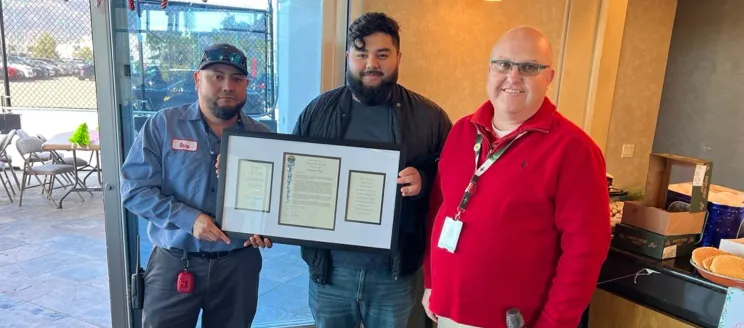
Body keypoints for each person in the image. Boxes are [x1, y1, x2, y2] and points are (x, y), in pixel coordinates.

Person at [422, 26, 612, 328]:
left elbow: (586, 250)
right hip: (447, 311)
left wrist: (554, 324)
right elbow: (440, 208)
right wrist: (432, 281)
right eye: (504, 64)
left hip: (515, 321)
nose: (513, 76)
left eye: (529, 67)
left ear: (548, 77)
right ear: (490, 69)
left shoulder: (575, 150)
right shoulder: (462, 131)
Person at [293, 12, 452, 328]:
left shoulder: (430, 117)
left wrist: (426, 178)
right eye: (362, 54)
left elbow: (453, 178)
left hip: (394, 275)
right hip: (330, 271)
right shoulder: (317, 111)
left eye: (382, 54)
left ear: (398, 58)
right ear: (349, 56)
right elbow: (292, 174)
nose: (371, 64)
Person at [120, 43, 273, 328]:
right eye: (217, 76)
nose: (227, 85)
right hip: (175, 264)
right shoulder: (163, 126)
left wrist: (266, 226)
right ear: (197, 79)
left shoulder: (262, 136)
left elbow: (272, 198)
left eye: (237, 79)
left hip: (238, 266)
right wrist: (189, 219)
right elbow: (134, 190)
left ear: (245, 86)